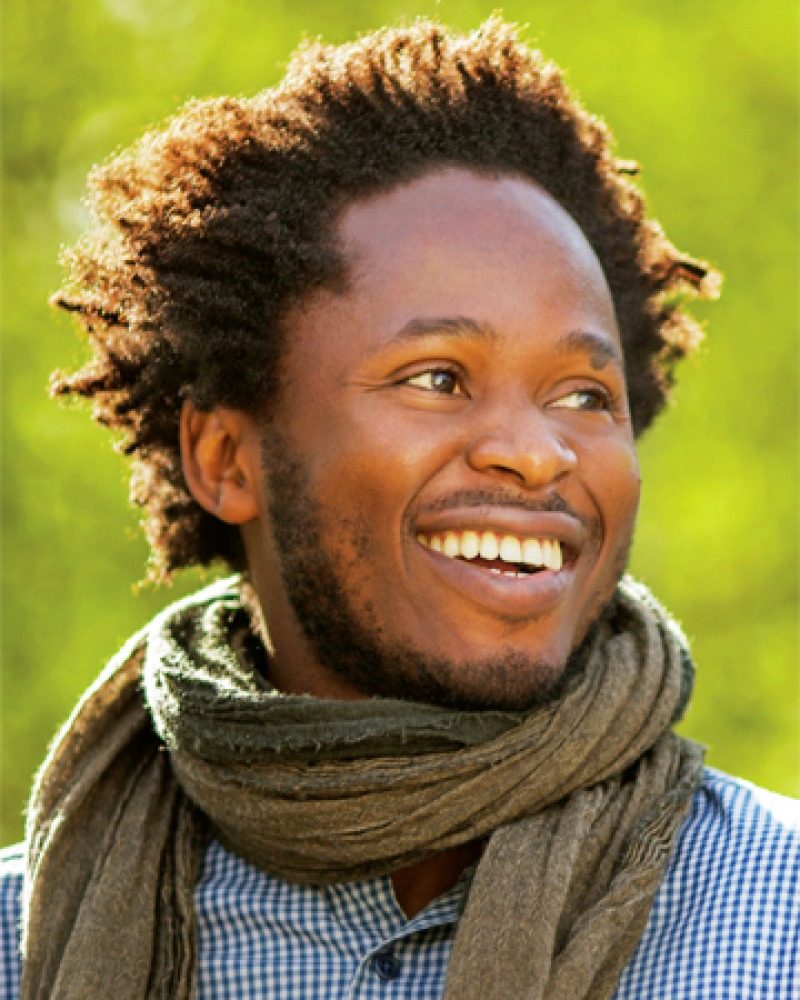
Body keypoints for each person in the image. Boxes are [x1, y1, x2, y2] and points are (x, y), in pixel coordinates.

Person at [1, 17, 797, 1000]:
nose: (534, 449)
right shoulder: (22, 943)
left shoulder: (777, 915)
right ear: (223, 457)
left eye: (584, 396)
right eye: (435, 376)